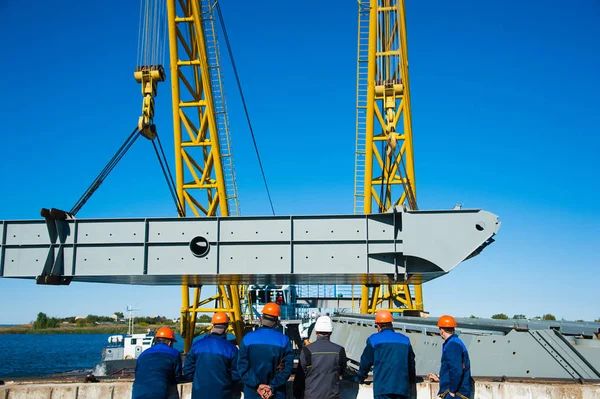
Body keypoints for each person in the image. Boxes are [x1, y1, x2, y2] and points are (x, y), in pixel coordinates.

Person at [355, 310, 416, 399]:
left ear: (378, 325)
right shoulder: (405, 340)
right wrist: (411, 380)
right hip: (402, 388)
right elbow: (411, 363)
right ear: (391, 324)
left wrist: (360, 377)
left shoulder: (374, 340)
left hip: (382, 388)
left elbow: (365, 361)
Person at [237, 302, 293, 399]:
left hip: (253, 392)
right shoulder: (284, 340)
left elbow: (242, 367)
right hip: (275, 393)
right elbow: (286, 368)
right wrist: (272, 387)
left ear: (261, 318)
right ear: (276, 321)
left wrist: (257, 386)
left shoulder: (247, 339)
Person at [182, 312, 240, 399]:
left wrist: (199, 380)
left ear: (212, 327)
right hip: (222, 394)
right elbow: (236, 374)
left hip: (199, 393)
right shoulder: (231, 349)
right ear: (226, 329)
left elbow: (187, 370)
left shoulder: (197, 345)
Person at [293, 315, 347, 399]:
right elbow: (342, 371)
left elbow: (300, 376)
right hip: (332, 396)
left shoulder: (307, 350)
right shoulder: (339, 350)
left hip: (311, 395)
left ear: (316, 331)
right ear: (331, 332)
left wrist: (297, 394)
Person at [427, 315, 471, 399]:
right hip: (457, 392)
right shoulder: (455, 342)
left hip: (456, 393)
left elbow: (456, 369)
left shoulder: (452, 345)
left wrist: (452, 391)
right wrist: (440, 379)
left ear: (442, 330)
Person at [132, 326, 182, 399]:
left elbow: (137, 373)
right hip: (158, 393)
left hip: (137, 393)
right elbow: (177, 376)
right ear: (169, 342)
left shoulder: (143, 354)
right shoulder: (174, 353)